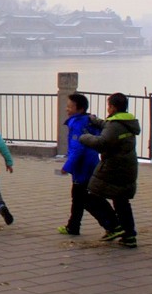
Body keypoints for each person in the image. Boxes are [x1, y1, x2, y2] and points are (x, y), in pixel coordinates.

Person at [78, 92, 141, 248]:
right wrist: (95, 120)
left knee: (90, 197)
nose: (108, 109)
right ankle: (129, 236)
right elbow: (108, 127)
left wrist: (84, 137)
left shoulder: (115, 125)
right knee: (121, 201)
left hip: (113, 168)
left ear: (112, 107)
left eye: (108, 106)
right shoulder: (127, 122)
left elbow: (102, 143)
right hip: (128, 167)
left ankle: (113, 226)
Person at [57, 93, 118, 236]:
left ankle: (113, 225)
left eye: (70, 106)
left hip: (83, 168)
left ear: (80, 108)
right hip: (90, 164)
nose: (67, 109)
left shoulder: (78, 124)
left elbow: (77, 149)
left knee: (86, 199)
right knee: (79, 199)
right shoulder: (88, 121)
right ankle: (73, 227)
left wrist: (67, 166)